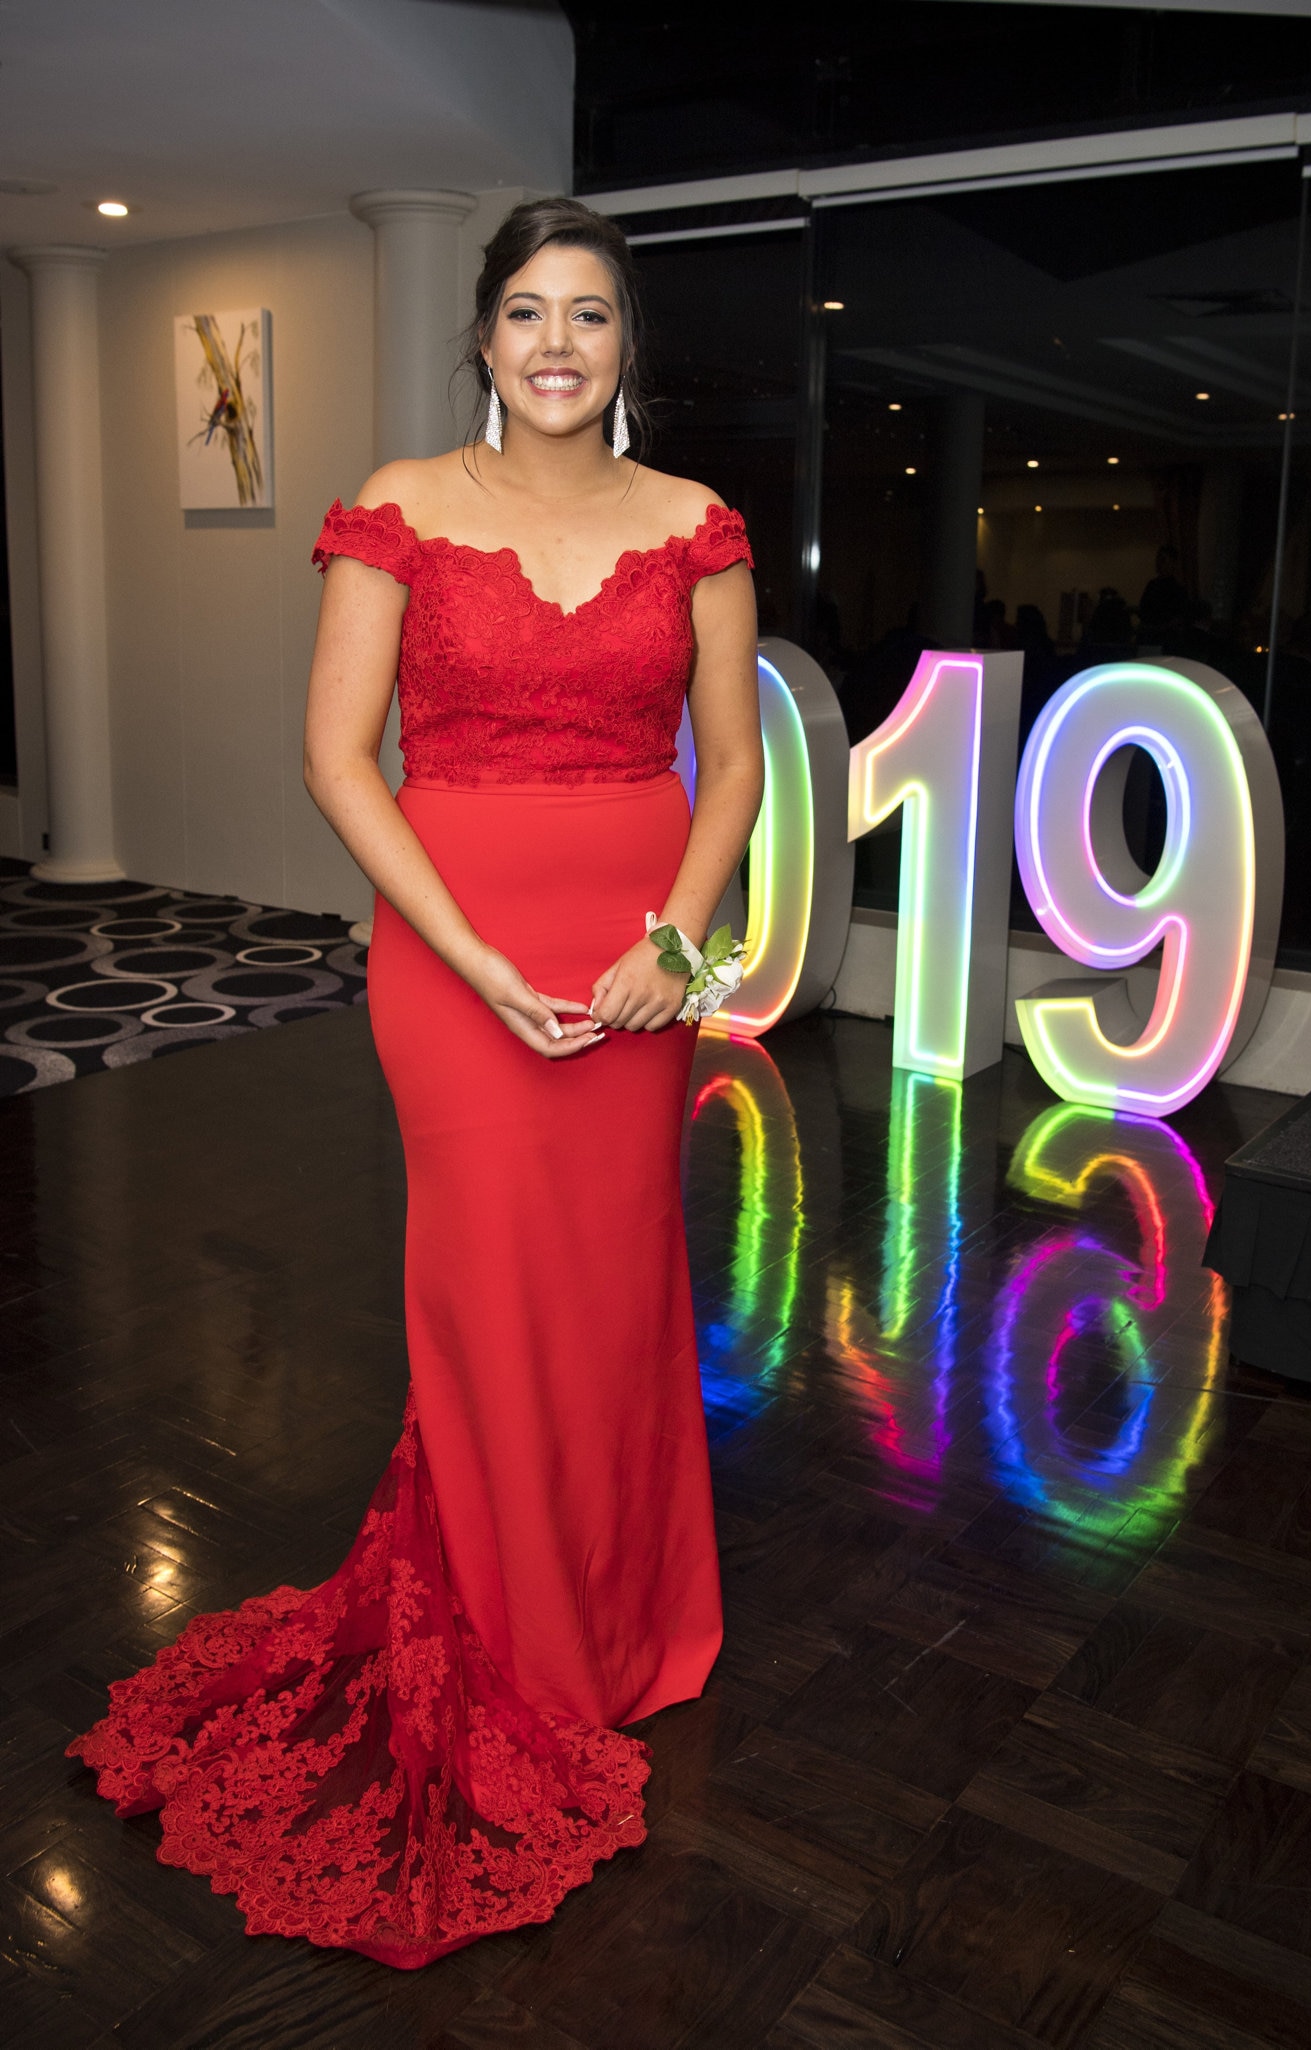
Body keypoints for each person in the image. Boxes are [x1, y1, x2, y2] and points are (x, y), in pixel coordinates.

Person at [68, 199, 764, 1968]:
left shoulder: (692, 525)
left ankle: (622, 1633)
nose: (555, 344)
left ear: (625, 346)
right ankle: (515, 1645)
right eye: (525, 311)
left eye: (589, 316)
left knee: (615, 1288)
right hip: (450, 954)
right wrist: (462, 954)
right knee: (479, 1285)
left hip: (633, 960)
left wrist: (670, 948)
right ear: (482, 338)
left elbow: (737, 769)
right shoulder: (396, 505)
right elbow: (333, 752)